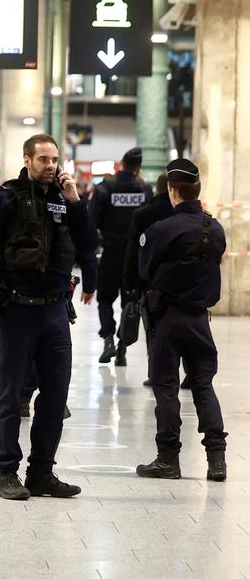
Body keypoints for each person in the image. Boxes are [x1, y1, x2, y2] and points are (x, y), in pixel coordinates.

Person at [0, 135, 96, 501]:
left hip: (55, 311)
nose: (50, 165)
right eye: (43, 159)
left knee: (55, 396)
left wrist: (75, 201)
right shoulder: (7, 198)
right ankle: (6, 472)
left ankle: (41, 472)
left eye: (54, 159)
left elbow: (88, 243)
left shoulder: (63, 198)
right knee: (11, 394)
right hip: (18, 311)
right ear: (27, 160)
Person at [134, 159, 227, 482]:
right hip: (200, 320)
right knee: (203, 385)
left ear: (172, 190)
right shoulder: (214, 228)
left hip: (169, 319)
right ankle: (217, 461)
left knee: (166, 388)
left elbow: (144, 270)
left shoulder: (162, 229)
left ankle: (168, 459)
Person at [89, 148, 154, 365]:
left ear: (122, 164)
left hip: (111, 253)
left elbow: (93, 222)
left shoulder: (104, 189)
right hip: (135, 256)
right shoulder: (144, 190)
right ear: (138, 168)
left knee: (105, 299)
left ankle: (108, 341)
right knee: (130, 301)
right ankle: (123, 349)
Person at [122, 173, 176, 386]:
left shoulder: (143, 214)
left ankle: (156, 372)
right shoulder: (181, 214)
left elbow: (133, 251)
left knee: (152, 327)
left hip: (151, 282)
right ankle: (189, 372)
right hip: (180, 282)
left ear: (158, 188)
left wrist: (129, 281)